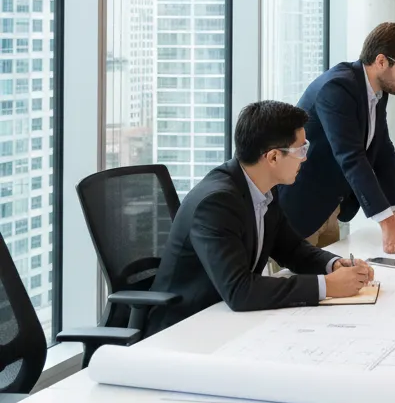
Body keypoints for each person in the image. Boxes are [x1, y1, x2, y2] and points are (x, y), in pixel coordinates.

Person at [145, 100, 373, 336]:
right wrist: (329, 286)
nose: (305, 158)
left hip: (225, 319)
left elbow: (291, 249)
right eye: (301, 150)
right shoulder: (216, 203)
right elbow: (239, 291)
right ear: (273, 157)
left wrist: (334, 265)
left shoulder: (263, 187)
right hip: (183, 329)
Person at [277, 22, 395, 255]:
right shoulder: (337, 88)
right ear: (381, 61)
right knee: (301, 285)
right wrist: (387, 226)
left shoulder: (378, 91)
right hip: (299, 209)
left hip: (330, 208)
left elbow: (383, 151)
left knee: (333, 285)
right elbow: (351, 157)